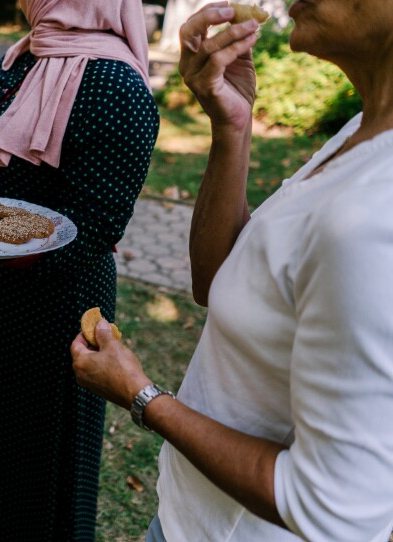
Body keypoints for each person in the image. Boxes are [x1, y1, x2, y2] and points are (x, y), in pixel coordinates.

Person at [72, 1, 393, 540]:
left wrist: (141, 395)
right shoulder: (364, 132)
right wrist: (233, 123)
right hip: (193, 518)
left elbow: (332, 507)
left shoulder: (373, 212)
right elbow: (218, 281)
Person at [0, 0, 159, 539]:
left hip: (49, 305)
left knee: (29, 446)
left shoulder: (116, 85)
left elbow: (98, 223)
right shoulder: (20, 58)